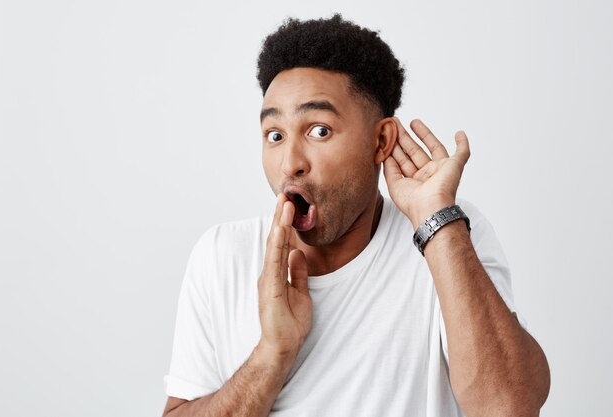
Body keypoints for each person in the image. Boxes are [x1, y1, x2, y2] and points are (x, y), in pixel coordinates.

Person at [161, 14, 550, 417]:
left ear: (381, 141)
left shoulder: (447, 232)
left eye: (319, 131)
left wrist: (438, 221)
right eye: (275, 135)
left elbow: (510, 406)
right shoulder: (223, 254)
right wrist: (270, 356)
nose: (290, 163)